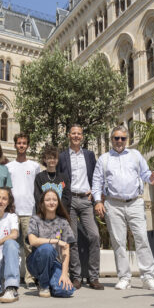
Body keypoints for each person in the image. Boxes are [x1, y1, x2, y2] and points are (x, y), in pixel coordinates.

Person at [92, 125, 154, 291]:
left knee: (142, 239)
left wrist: (151, 178)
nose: (119, 141)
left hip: (135, 202)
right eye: (116, 138)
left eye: (123, 138)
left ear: (127, 139)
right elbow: (96, 182)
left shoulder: (135, 155)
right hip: (113, 204)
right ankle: (124, 277)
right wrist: (97, 201)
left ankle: (148, 277)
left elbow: (145, 174)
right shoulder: (104, 159)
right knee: (118, 242)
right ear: (111, 140)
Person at [57, 124, 102, 290]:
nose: (76, 136)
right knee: (72, 238)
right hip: (70, 201)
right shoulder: (62, 157)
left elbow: (96, 176)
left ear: (82, 136)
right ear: (69, 135)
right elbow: (59, 179)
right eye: (73, 133)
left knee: (94, 236)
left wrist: (95, 193)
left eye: (79, 134)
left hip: (86, 200)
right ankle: (76, 277)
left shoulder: (89, 155)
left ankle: (93, 276)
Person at [5, 133, 41, 289]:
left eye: (24, 143)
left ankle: (30, 278)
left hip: (29, 210)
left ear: (27, 145)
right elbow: (6, 188)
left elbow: (38, 189)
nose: (21, 145)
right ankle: (8, 278)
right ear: (15, 145)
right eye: (19, 143)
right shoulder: (8, 167)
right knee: (9, 244)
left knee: (28, 246)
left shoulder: (34, 166)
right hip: (12, 212)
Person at [27, 189, 75, 298]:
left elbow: (66, 250)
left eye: (54, 199)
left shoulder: (63, 222)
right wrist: (55, 241)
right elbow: (32, 241)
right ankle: (43, 285)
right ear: (42, 202)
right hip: (36, 262)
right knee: (47, 248)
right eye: (48, 200)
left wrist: (64, 274)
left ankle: (50, 283)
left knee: (66, 290)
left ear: (58, 202)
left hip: (54, 263)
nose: (51, 202)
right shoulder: (35, 219)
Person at [34, 145, 71, 211]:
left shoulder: (64, 177)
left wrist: (57, 209)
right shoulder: (39, 177)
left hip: (60, 213)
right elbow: (38, 197)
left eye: (54, 158)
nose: (52, 160)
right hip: (45, 214)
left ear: (57, 160)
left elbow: (67, 197)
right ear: (45, 160)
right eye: (49, 158)